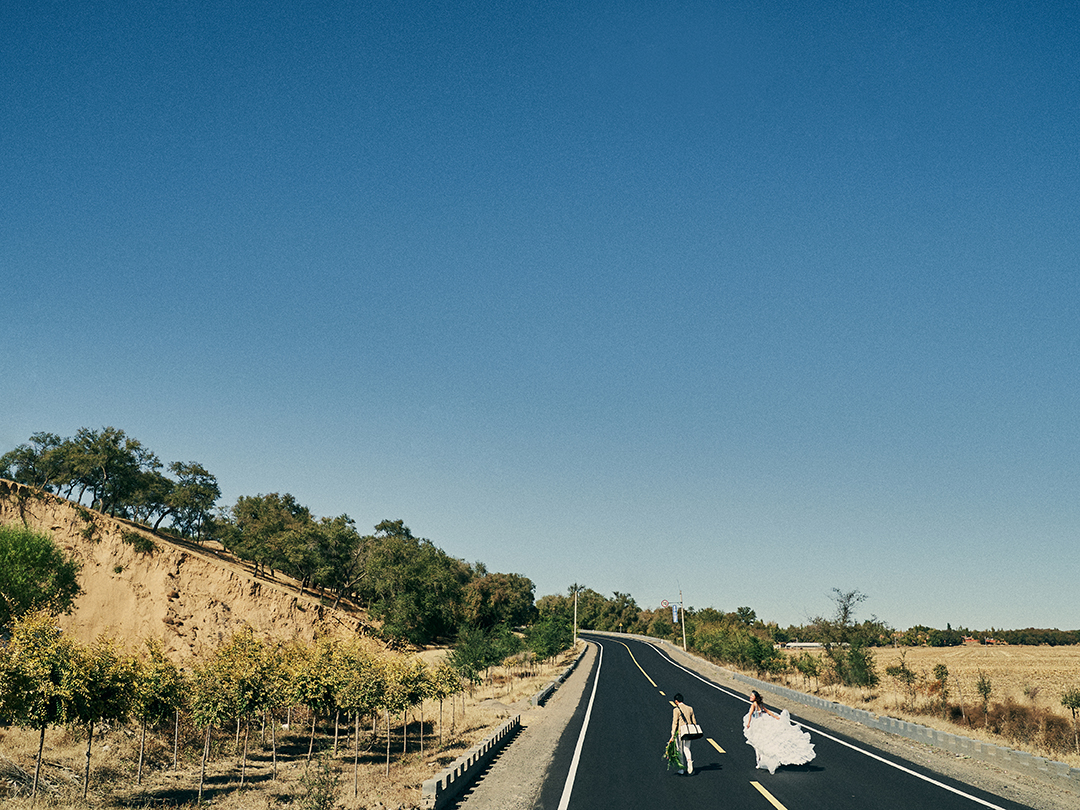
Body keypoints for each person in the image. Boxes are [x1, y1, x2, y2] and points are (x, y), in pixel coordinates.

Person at [743, 690, 815, 773]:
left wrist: (748, 724)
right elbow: (768, 711)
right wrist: (775, 717)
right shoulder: (759, 704)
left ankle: (759, 761)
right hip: (763, 721)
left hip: (758, 724)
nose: (750, 697)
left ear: (755, 698)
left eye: (752, 696)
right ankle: (760, 761)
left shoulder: (753, 705)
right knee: (764, 743)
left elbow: (750, 715)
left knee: (758, 744)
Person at [668, 693, 698, 774]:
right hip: (689, 732)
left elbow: (675, 722)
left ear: (676, 701)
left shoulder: (676, 710)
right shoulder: (690, 708)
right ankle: (689, 762)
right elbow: (694, 721)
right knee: (687, 748)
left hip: (680, 732)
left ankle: (681, 768)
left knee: (680, 750)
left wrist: (672, 733)